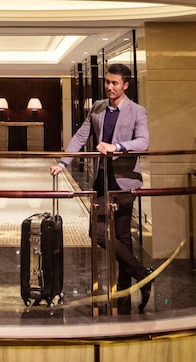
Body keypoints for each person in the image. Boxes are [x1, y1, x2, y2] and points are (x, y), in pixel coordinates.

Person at [50, 63, 153, 314]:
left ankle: (123, 297)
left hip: (125, 182)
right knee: (96, 232)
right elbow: (80, 136)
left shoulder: (137, 111)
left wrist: (116, 147)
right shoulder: (97, 107)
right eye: (107, 82)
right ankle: (142, 274)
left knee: (123, 238)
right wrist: (63, 163)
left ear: (125, 85)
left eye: (114, 83)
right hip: (101, 181)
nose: (109, 86)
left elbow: (143, 142)